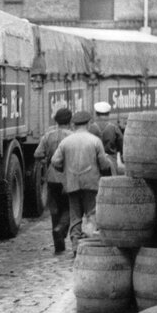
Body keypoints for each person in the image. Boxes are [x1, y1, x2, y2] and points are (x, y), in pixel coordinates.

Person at [51, 110, 111, 256]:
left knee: (75, 217)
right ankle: (90, 244)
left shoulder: (66, 142)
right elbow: (104, 164)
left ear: (74, 124)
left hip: (72, 184)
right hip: (91, 183)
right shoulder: (94, 141)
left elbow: (55, 161)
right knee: (91, 213)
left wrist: (65, 170)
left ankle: (76, 247)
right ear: (89, 123)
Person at [33, 108, 73, 254]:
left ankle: (58, 245)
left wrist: (46, 160)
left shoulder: (47, 136)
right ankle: (61, 229)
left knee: (54, 209)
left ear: (56, 121)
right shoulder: (72, 136)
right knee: (69, 207)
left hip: (51, 177)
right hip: (68, 178)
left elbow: (37, 154)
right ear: (70, 121)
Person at [88, 101, 124, 175]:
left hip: (94, 163)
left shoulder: (90, 128)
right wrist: (122, 157)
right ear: (108, 114)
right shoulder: (114, 128)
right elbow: (122, 144)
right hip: (111, 163)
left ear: (96, 114)